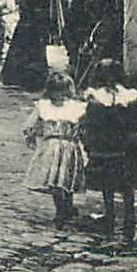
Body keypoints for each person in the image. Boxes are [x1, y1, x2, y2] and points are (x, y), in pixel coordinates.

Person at [80, 58, 137, 246]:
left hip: (105, 147)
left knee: (108, 189)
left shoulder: (94, 98)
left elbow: (90, 125)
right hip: (126, 147)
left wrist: (89, 145)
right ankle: (128, 231)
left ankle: (110, 230)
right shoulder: (131, 96)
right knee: (128, 190)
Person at [23, 71, 88, 227]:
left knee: (62, 178)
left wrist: (31, 137)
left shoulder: (52, 106)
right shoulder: (66, 107)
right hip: (62, 146)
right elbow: (31, 126)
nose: (61, 96)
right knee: (58, 179)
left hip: (60, 146)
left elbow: (30, 126)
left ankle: (66, 207)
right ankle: (62, 208)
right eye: (58, 92)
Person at [1, 0, 67, 91]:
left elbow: (33, 6)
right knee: (33, 53)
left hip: (32, 24)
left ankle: (25, 79)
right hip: (36, 24)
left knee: (28, 52)